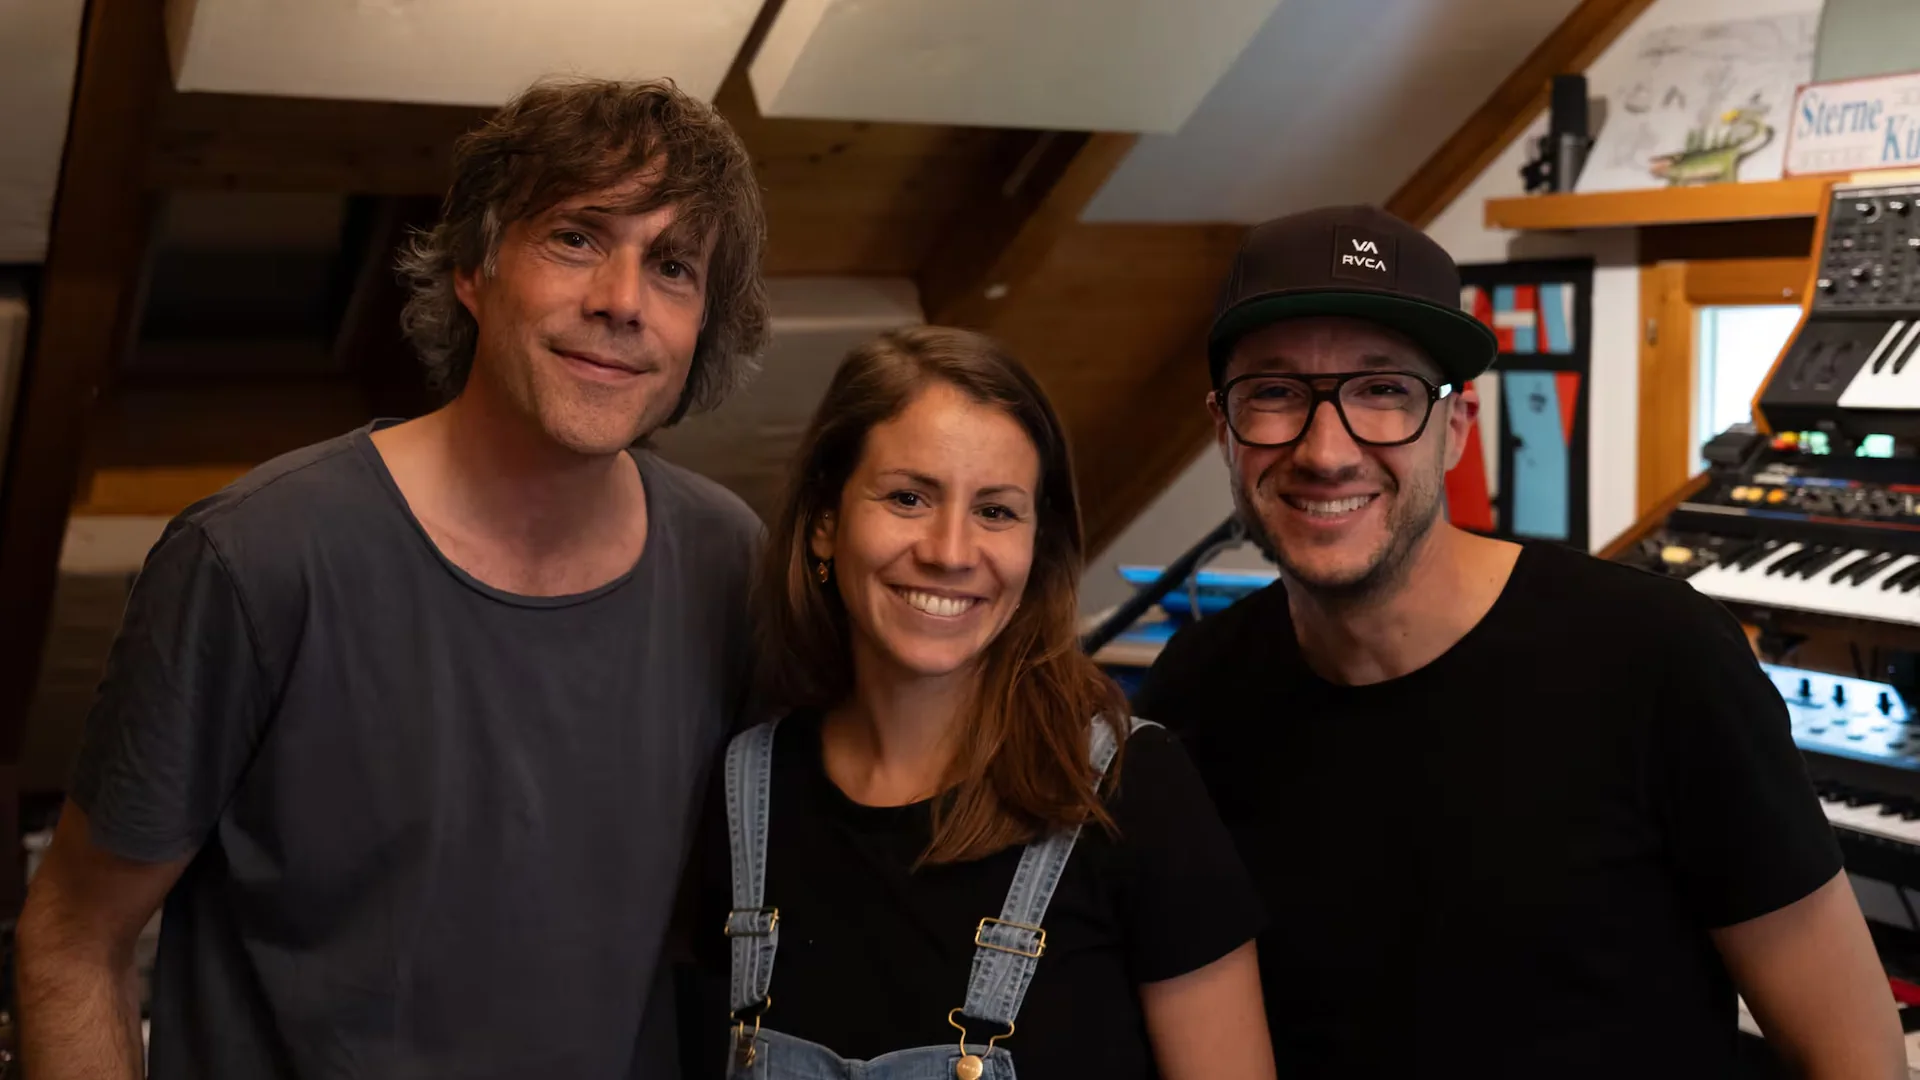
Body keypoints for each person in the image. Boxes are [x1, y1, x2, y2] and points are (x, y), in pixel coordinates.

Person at [18, 77, 771, 1079]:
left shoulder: (730, 561)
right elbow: (73, 939)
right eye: (578, 239)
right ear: (474, 266)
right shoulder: (259, 559)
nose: (621, 303)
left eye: (672, 266)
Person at [1132, 205, 1906, 1078]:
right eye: (1272, 393)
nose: (1326, 449)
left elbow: (1858, 1059)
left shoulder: (1658, 658)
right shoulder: (1194, 694)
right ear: (1222, 430)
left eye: (1383, 389)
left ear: (1455, 426)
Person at [676, 326, 1275, 1080]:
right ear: (826, 523)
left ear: (1038, 545)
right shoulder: (746, 794)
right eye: (907, 497)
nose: (950, 550)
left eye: (995, 511)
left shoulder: (1133, 791)